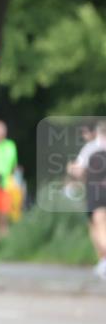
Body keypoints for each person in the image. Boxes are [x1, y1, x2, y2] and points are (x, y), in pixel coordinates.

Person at [68, 120, 106, 279]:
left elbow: (78, 169)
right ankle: (103, 261)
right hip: (95, 190)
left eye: (85, 132)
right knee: (95, 225)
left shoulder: (92, 148)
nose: (84, 135)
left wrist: (71, 168)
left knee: (98, 224)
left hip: (97, 192)